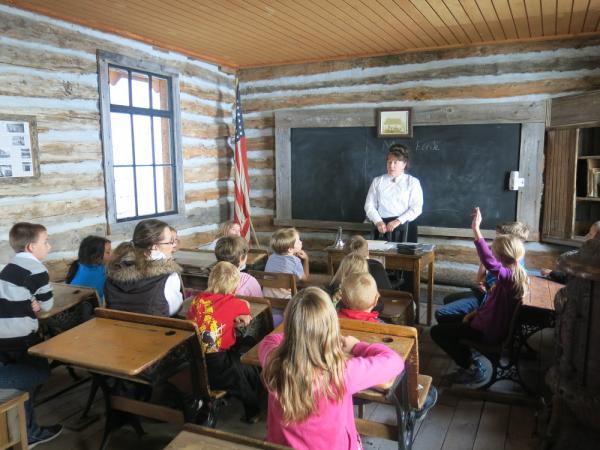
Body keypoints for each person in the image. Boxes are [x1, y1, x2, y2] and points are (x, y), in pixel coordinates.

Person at [259, 287, 404, 449]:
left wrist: (299, 335)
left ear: (289, 325)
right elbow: (395, 361)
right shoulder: (340, 373)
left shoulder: (272, 361)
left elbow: (270, 339)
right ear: (331, 330)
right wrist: (357, 346)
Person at [430, 208, 528, 385]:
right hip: (486, 323)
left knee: (436, 332)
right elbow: (491, 304)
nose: (492, 254)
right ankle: (467, 355)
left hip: (487, 331)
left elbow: (488, 260)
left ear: (501, 257)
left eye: (495, 252)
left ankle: (472, 368)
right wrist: (474, 314)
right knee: (445, 319)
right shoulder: (515, 273)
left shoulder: (509, 277)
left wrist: (476, 229)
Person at [0, 222, 62, 447]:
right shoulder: (37, 269)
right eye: (45, 242)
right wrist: (34, 301)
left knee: (21, 383)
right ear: (30, 247)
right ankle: (29, 432)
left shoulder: (8, 268)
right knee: (40, 372)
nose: (49, 245)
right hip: (22, 337)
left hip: (3, 338)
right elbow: (47, 306)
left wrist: (30, 300)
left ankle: (27, 431)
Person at [186, 261, 262, 422]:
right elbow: (246, 309)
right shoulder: (235, 304)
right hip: (218, 364)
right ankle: (253, 412)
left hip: (196, 359)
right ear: (235, 289)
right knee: (241, 379)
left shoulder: (197, 301)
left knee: (239, 358)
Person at [435, 221, 530, 324]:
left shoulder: (509, 266)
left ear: (509, 242)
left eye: (498, 237)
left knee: (441, 313)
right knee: (448, 299)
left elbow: (487, 260)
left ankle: (464, 328)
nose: (495, 240)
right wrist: (484, 278)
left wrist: (476, 229)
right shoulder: (509, 257)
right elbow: (480, 279)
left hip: (486, 301)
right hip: (484, 295)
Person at [105, 219, 183, 316]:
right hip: (156, 329)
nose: (174, 245)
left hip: (116, 329)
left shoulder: (114, 271)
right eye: (170, 242)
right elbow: (174, 309)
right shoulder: (168, 277)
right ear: (154, 247)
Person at [364, 144, 423, 243]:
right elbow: (369, 205)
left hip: (405, 227)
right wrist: (378, 221)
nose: (391, 166)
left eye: (395, 162)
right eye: (389, 162)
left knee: (404, 258)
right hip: (381, 227)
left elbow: (416, 208)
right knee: (379, 257)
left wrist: (398, 221)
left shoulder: (412, 182)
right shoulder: (378, 181)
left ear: (404, 164)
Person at [263, 228, 309, 298]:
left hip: (268, 298)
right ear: (290, 249)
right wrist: (306, 259)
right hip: (286, 301)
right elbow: (305, 279)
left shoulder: (271, 257)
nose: (301, 242)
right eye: (298, 240)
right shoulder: (295, 261)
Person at [66, 236, 111, 303]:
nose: (111, 255)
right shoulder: (101, 270)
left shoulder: (78, 265)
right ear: (95, 256)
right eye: (108, 252)